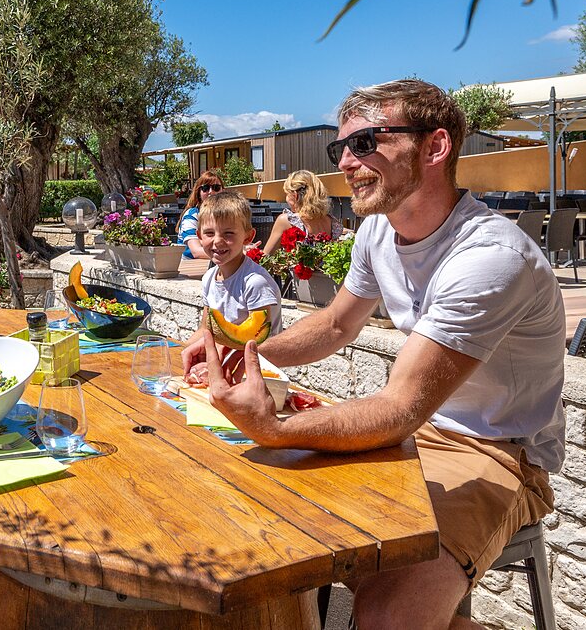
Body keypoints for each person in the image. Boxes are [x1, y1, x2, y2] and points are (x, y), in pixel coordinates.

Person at [184, 79, 564, 630]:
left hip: (497, 452)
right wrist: (247, 349)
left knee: (386, 620)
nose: (346, 162)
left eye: (365, 144)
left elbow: (401, 406)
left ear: (434, 148)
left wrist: (276, 430)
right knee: (268, 526)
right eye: (339, 149)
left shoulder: (491, 257)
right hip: (417, 433)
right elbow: (336, 324)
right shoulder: (377, 232)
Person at [180, 191, 281, 386]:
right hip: (224, 369)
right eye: (209, 233)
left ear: (248, 237)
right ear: (199, 236)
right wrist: (178, 349)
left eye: (228, 233)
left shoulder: (255, 282)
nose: (217, 241)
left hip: (259, 375)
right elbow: (205, 329)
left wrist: (216, 356)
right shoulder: (209, 277)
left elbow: (259, 339)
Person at [258, 169, 345, 256]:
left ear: (295, 195)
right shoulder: (331, 222)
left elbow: (266, 258)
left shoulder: (287, 220)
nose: (286, 199)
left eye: (287, 194)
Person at [177, 169, 224, 260]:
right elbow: (196, 252)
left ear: (223, 191)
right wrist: (235, 254)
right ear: (199, 193)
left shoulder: (224, 215)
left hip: (214, 263)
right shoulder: (191, 216)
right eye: (205, 188)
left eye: (216, 188)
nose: (211, 192)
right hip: (191, 267)